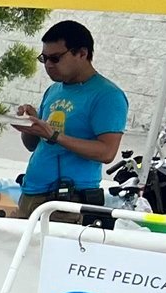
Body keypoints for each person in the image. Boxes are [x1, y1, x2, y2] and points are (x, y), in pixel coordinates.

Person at [13, 18, 127, 213]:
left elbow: (107, 152)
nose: (48, 65)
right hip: (32, 192)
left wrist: (54, 135)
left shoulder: (108, 96)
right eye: (44, 58)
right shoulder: (54, 90)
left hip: (68, 199)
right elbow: (34, 145)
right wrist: (30, 127)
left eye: (55, 58)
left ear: (82, 53)